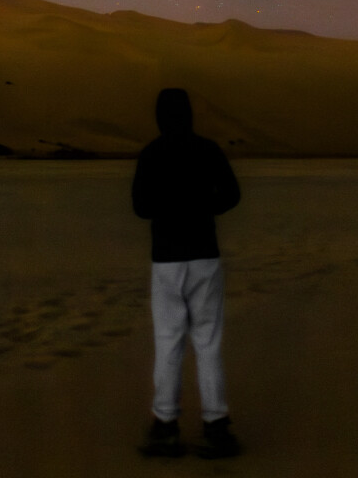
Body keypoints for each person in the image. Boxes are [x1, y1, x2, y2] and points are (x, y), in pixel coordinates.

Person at [131, 87, 242, 460]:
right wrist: (202, 207)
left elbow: (141, 207)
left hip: (166, 259)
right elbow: (231, 194)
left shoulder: (151, 154)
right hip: (204, 257)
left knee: (168, 341)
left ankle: (165, 426)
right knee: (207, 341)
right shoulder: (207, 150)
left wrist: (169, 208)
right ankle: (216, 426)